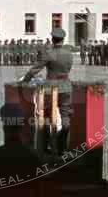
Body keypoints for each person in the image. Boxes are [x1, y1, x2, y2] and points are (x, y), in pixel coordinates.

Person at [21, 28, 73, 156]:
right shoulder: (69, 53)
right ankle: (62, 145)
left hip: (51, 88)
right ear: (63, 39)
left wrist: (25, 80)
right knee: (66, 116)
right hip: (66, 86)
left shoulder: (49, 53)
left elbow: (36, 69)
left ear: (52, 39)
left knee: (45, 116)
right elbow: (67, 69)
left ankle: (44, 145)